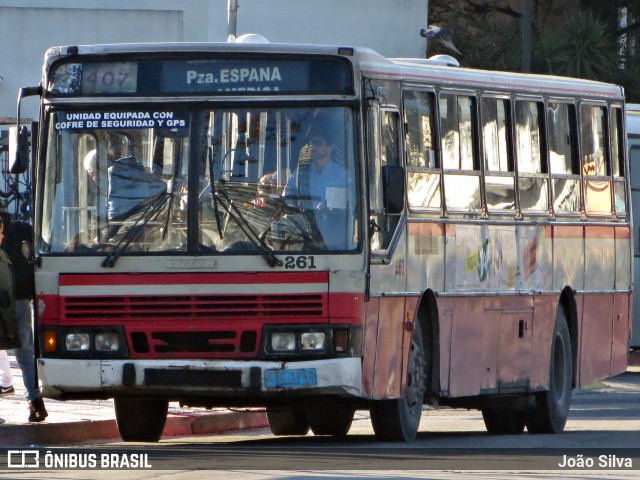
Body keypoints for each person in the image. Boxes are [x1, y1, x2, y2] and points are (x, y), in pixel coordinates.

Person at [0, 210, 48, 422]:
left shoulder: (19, 229)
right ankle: (34, 399)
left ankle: (34, 400)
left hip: (11, 299)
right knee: (25, 352)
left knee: (23, 351)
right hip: (19, 298)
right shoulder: (22, 228)